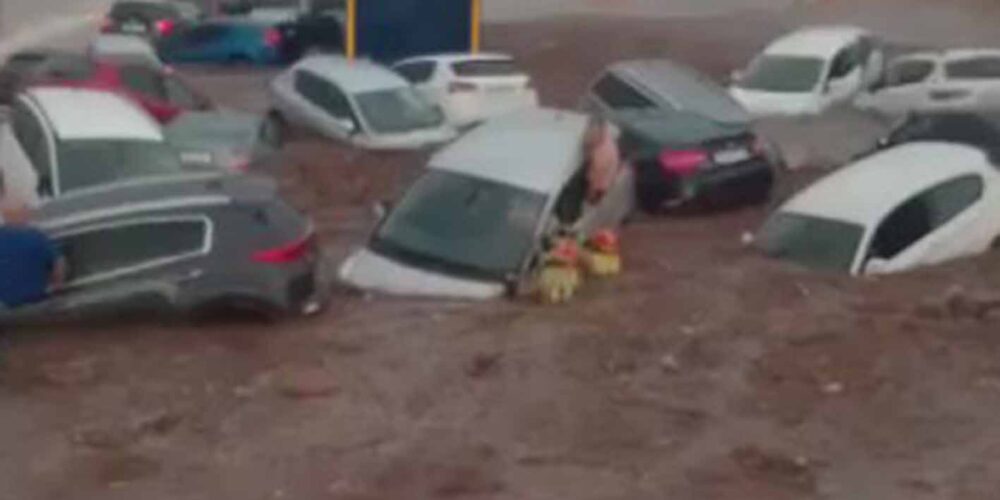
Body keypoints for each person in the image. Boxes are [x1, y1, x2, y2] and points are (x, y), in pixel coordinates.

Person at [0, 200, 63, 309]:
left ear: (5, 216)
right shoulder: (37, 237)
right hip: (38, 308)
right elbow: (59, 266)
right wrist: (56, 287)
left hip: (6, 313)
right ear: (24, 214)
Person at [583, 116, 622, 204]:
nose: (588, 135)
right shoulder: (606, 137)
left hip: (599, 183)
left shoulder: (601, 155)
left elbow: (594, 181)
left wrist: (590, 193)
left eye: (592, 133)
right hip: (605, 177)